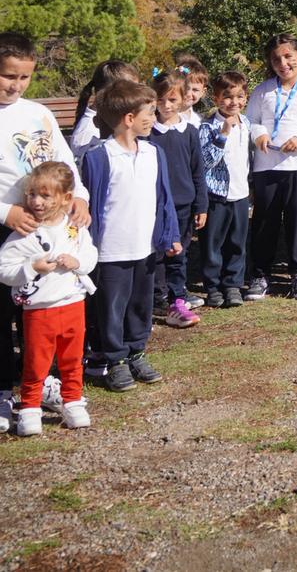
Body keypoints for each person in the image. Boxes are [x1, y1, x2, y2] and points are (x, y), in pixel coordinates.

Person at [0, 32, 92, 433]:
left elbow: (64, 162)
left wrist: (80, 198)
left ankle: (39, 383)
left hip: (48, 228)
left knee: (42, 309)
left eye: (24, 77)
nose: (16, 85)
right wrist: (3, 211)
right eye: (8, 76)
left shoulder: (37, 112)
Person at [79, 79, 180, 393]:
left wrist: (170, 235)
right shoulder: (99, 157)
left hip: (145, 249)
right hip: (111, 252)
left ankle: (136, 351)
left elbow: (164, 199)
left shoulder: (153, 153)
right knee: (111, 308)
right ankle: (115, 359)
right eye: (148, 112)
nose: (154, 117)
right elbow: (91, 204)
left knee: (140, 304)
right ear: (128, 119)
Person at [0, 161, 97, 435]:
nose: (36, 201)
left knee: (72, 359)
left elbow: (91, 254)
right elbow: (1, 269)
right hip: (40, 311)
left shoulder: (74, 229)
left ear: (66, 199)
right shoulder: (24, 232)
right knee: (36, 362)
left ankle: (72, 401)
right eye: (32, 195)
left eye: (45, 195)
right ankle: (29, 408)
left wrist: (77, 262)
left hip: (73, 304)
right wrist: (31, 268)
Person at [246, 35, 297, 302]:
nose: (283, 64)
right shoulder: (262, 91)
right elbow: (250, 120)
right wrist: (258, 134)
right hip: (267, 167)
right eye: (276, 59)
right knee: (264, 222)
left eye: (288, 57)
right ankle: (260, 274)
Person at [149, 71, 206, 328]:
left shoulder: (190, 132)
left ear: (184, 99)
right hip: (154, 205)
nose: (167, 105)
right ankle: (157, 298)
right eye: (161, 99)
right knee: (157, 255)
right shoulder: (147, 132)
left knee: (178, 254)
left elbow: (198, 171)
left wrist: (201, 205)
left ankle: (177, 298)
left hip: (183, 205)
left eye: (172, 99)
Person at [198, 71, 253, 308]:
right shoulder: (208, 127)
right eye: (227, 97)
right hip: (216, 196)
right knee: (213, 244)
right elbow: (205, 162)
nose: (234, 102)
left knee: (237, 243)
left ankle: (232, 284)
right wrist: (222, 135)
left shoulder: (247, 124)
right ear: (216, 98)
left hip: (240, 195)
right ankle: (212, 286)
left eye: (239, 96)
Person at [72, 60, 139, 150]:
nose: (138, 96)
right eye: (132, 91)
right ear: (110, 93)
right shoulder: (86, 135)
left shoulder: (118, 121)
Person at [174, 56, 210, 126]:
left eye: (195, 90)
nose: (188, 93)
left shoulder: (200, 121)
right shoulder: (166, 119)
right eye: (185, 87)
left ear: (203, 92)